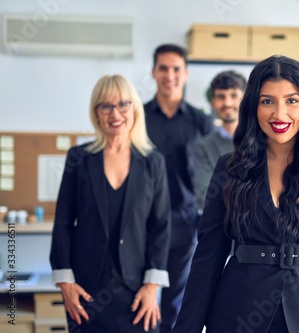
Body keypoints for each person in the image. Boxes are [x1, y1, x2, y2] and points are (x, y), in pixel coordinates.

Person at [172, 55, 299, 333]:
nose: (280, 114)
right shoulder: (229, 168)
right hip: (237, 313)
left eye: (291, 100)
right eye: (268, 101)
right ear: (254, 106)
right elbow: (207, 258)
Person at [50, 74, 171, 333]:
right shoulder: (79, 158)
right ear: (96, 112)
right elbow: (62, 222)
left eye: (123, 104)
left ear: (134, 108)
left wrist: (152, 286)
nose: (115, 113)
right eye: (106, 105)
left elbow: (160, 225)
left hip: (138, 293)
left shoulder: (153, 162)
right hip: (85, 292)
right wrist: (65, 283)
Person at [144, 43, 214, 333]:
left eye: (176, 69)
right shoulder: (138, 116)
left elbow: (214, 172)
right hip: (143, 221)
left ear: (185, 74)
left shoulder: (201, 121)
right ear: (153, 72)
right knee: (142, 296)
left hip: (186, 222)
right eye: (163, 68)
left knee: (177, 301)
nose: (169, 75)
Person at [193, 70, 247, 210]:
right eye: (221, 97)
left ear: (246, 99)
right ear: (213, 102)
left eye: (234, 95)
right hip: (220, 228)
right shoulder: (203, 147)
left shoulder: (262, 141)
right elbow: (204, 197)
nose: (227, 103)